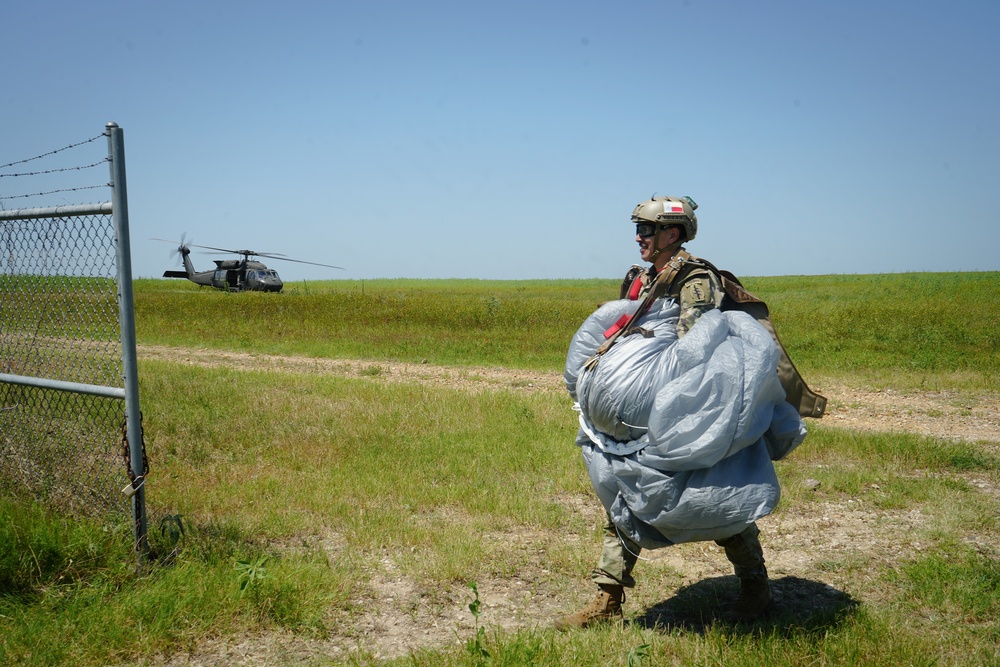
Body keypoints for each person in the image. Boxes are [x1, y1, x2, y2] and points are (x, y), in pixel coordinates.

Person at [555, 195, 777, 630]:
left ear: (671, 234)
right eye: (637, 230)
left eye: (647, 230)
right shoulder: (642, 278)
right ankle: (608, 599)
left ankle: (756, 587)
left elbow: (696, 347)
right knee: (622, 500)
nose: (639, 238)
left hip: (683, 410)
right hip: (637, 415)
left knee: (716, 501)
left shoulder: (695, 280)